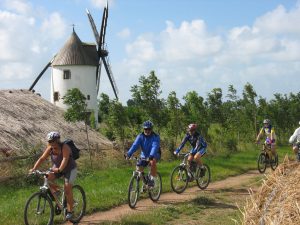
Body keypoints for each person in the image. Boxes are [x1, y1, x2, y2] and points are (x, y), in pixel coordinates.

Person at [29, 131, 77, 220]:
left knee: (67, 189)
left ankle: (70, 211)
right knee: (46, 177)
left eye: (53, 141)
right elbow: (42, 158)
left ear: (58, 140)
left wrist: (59, 170)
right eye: (49, 141)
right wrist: (34, 168)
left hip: (70, 169)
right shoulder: (50, 148)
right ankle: (57, 192)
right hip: (58, 168)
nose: (51, 143)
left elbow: (65, 159)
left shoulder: (65, 147)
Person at [126, 120, 160, 187]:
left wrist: (151, 156)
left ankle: (153, 180)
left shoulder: (155, 137)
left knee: (152, 162)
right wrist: (128, 154)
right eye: (145, 129)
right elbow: (135, 145)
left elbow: (155, 146)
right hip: (144, 155)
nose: (147, 131)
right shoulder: (140, 136)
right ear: (143, 129)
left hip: (155, 154)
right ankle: (145, 183)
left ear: (151, 129)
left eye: (149, 129)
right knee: (139, 169)